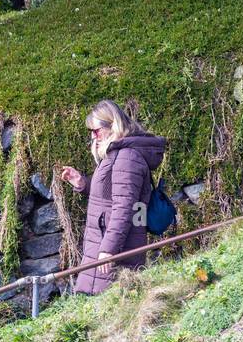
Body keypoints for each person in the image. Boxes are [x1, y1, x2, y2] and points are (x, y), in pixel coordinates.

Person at [59, 100, 167, 295]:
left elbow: (124, 207)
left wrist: (108, 251)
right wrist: (82, 183)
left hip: (114, 248)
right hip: (105, 242)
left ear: (113, 125)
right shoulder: (118, 153)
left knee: (109, 305)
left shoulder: (127, 157)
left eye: (96, 130)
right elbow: (112, 193)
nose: (93, 136)